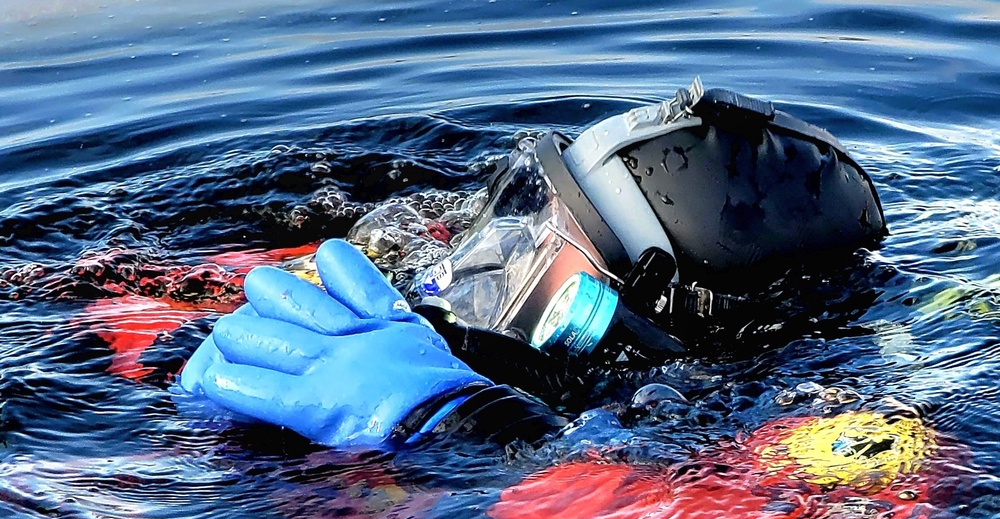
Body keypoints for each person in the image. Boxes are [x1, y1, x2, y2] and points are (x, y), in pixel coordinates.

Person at [179, 78, 886, 449]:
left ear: (628, 323)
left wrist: (461, 419)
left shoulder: (777, 430)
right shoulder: (401, 307)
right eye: (523, 207)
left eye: (548, 240)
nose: (496, 249)